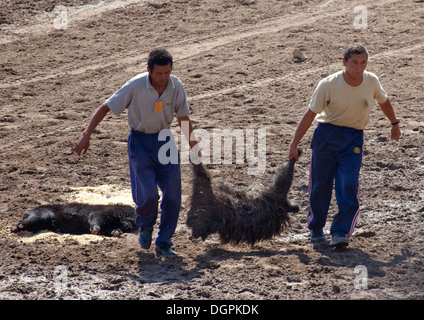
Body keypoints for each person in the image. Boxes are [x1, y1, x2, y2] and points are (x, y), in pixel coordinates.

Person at [75, 49, 199, 256]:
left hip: (165, 140)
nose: (164, 77)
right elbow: (106, 106)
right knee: (148, 195)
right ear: (149, 70)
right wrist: (87, 134)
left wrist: (194, 146)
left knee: (173, 195)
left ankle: (164, 242)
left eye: (167, 72)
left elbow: (183, 118)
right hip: (140, 142)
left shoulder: (176, 85)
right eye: (159, 73)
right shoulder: (135, 85)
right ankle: (146, 225)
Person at [289, 43, 401, 247]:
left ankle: (341, 232)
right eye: (354, 63)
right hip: (326, 136)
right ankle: (316, 228)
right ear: (344, 62)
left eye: (363, 63)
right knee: (320, 185)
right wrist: (294, 144)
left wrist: (394, 124)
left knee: (348, 183)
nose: (359, 68)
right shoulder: (328, 84)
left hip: (353, 139)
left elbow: (384, 100)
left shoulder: (371, 80)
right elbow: (310, 114)